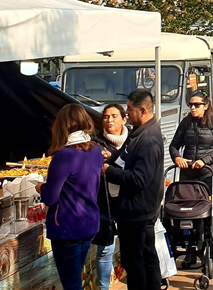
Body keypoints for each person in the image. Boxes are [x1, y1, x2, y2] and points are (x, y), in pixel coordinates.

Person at [37, 104, 103, 290]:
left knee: (71, 284)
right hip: (89, 223)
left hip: (68, 228)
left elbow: (50, 197)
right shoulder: (95, 151)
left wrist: (40, 186)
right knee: (75, 280)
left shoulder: (65, 156)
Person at [104, 89, 164, 290]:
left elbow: (139, 179)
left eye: (130, 109)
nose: (127, 113)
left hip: (138, 211)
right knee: (145, 258)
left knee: (137, 262)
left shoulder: (148, 139)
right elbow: (125, 158)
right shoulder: (139, 133)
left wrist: (108, 171)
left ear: (143, 110)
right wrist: (110, 158)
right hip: (136, 210)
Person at [169, 90, 213, 267]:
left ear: (206, 105)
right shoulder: (185, 123)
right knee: (187, 211)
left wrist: (204, 160)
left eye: (197, 105)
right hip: (188, 174)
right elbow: (174, 145)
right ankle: (190, 251)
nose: (193, 108)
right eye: (191, 105)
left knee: (211, 213)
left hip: (208, 173)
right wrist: (177, 158)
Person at [94, 104, 130, 290]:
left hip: (130, 201)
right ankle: (103, 287)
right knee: (105, 249)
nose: (110, 120)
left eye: (114, 116)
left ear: (124, 119)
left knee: (131, 248)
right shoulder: (96, 143)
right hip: (105, 202)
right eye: (106, 117)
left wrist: (113, 158)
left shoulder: (134, 140)